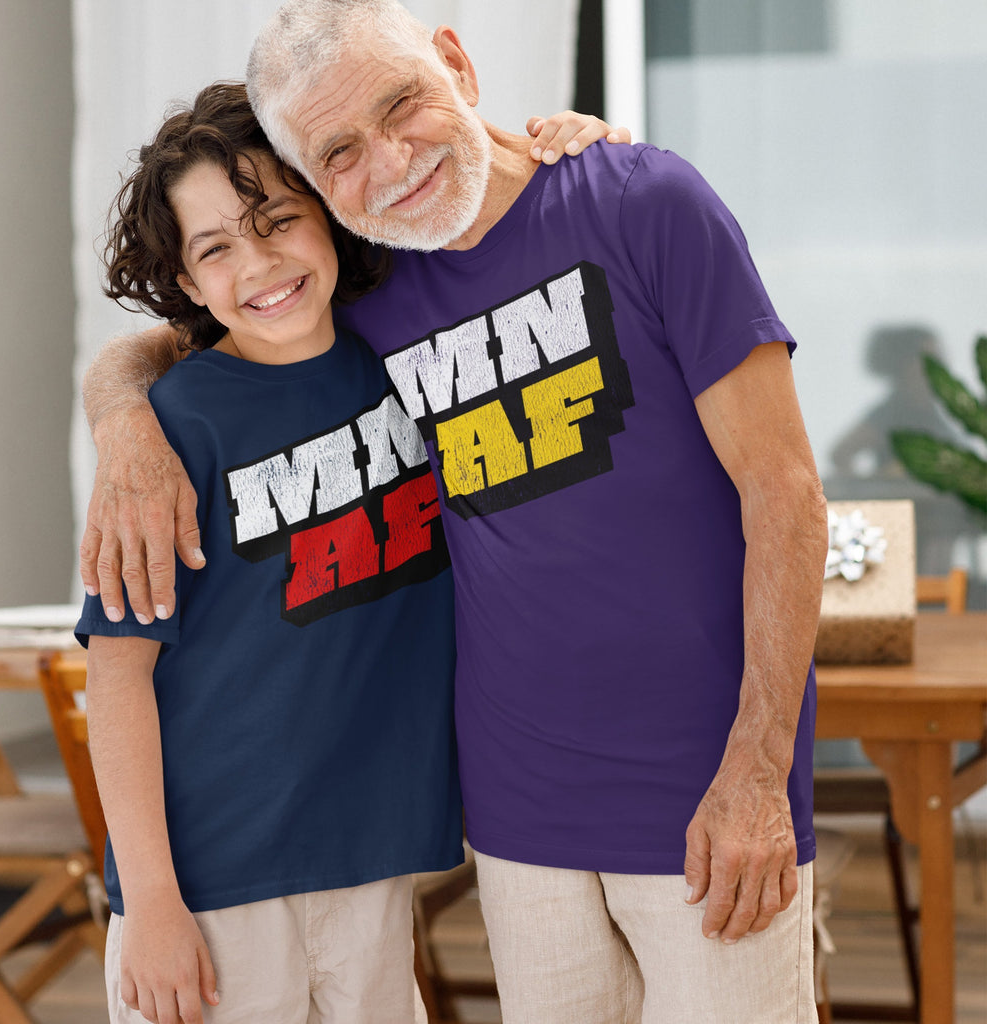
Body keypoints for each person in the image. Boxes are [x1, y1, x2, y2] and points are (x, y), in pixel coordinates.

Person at [80, 3, 828, 1022]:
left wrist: (759, 771)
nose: (389, 160)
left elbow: (784, 494)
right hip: (512, 820)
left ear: (457, 64)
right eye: (340, 151)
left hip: (692, 798)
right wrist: (120, 415)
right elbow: (196, 333)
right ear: (322, 184)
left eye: (404, 105)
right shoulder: (367, 289)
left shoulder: (637, 203)